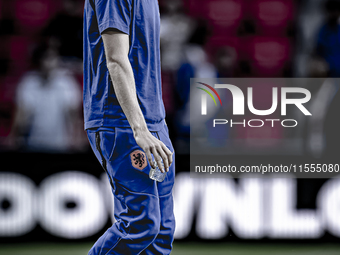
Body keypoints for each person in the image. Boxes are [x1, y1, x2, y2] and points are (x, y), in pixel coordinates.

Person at [83, 0, 175, 254]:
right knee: (140, 224)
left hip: (154, 123)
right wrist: (141, 129)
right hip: (121, 121)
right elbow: (115, 59)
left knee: (161, 233)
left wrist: (156, 124)